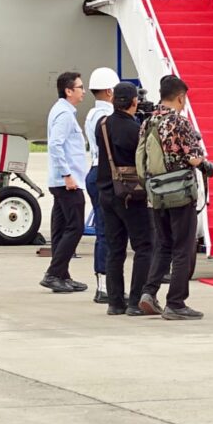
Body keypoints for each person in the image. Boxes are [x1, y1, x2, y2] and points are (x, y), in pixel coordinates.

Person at [139, 76, 206, 319]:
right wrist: (205, 163)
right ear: (180, 97)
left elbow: (142, 157)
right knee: (182, 247)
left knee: (163, 245)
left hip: (156, 192)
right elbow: (195, 157)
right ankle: (176, 303)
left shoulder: (149, 122)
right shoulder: (180, 123)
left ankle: (149, 292)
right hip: (180, 193)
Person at [96, 82, 154, 316]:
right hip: (131, 194)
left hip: (107, 192)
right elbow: (144, 157)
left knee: (115, 248)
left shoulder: (102, 125)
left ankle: (115, 301)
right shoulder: (135, 130)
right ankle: (135, 300)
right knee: (144, 246)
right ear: (133, 102)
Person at [41, 71, 89, 293]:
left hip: (61, 180)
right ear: (69, 91)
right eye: (80, 87)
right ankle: (53, 273)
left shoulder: (61, 110)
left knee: (61, 229)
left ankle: (62, 275)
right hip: (67, 182)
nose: (83, 91)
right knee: (75, 227)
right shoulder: (65, 115)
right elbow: (56, 145)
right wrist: (67, 174)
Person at [84, 67, 118, 303]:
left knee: (104, 232)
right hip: (106, 175)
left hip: (94, 171)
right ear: (109, 91)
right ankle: (105, 286)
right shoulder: (108, 117)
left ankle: (103, 284)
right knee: (109, 232)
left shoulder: (90, 115)